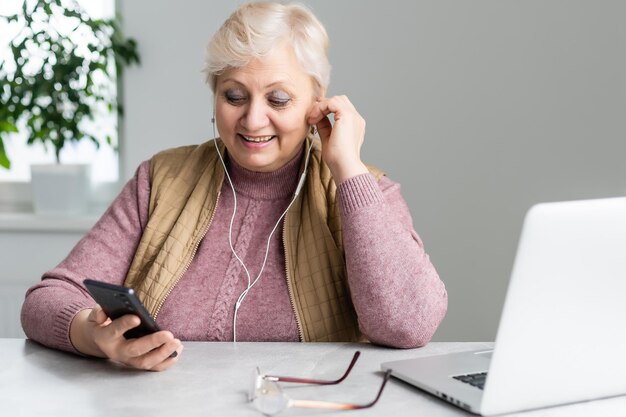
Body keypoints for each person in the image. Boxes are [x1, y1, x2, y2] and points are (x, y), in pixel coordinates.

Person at [21, 2, 448, 371]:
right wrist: (92, 336)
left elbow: (409, 325)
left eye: (278, 99)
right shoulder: (160, 179)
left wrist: (348, 169)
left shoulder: (364, 190)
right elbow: (46, 299)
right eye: (234, 96)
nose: (252, 120)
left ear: (318, 103)